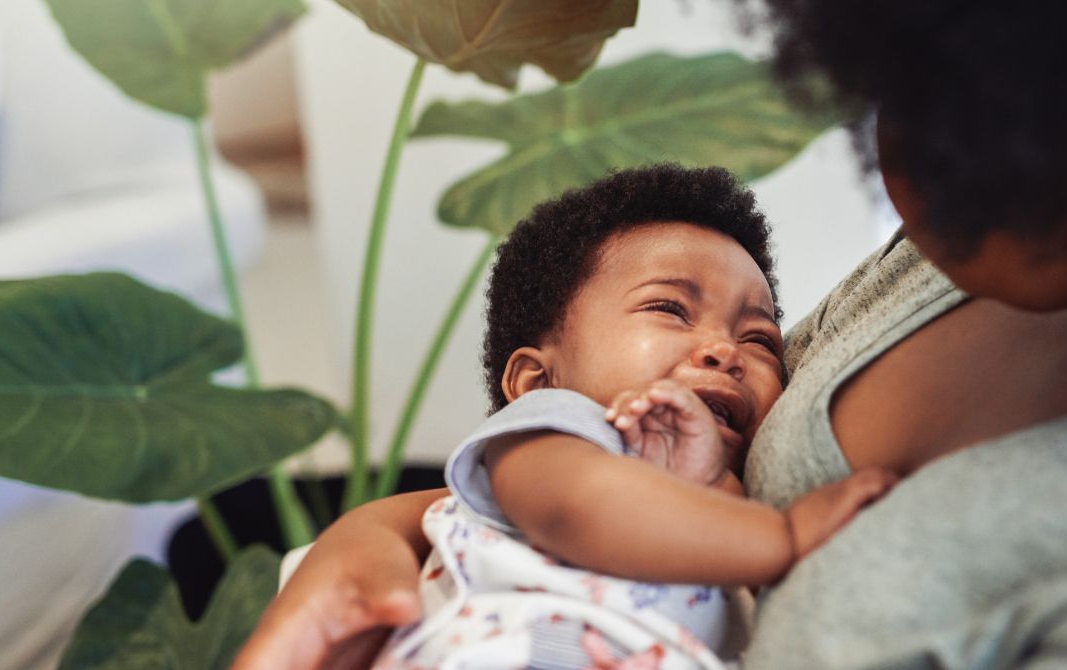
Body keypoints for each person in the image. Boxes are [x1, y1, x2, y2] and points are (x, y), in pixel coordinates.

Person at [235, 1, 1067, 668]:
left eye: (756, 327)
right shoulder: (1062, 221)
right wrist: (377, 535)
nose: (893, 170)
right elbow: (541, 487)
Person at [364, 165, 896, 669]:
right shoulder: (554, 431)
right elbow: (579, 507)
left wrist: (718, 486)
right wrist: (786, 537)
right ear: (535, 381)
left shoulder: (744, 506)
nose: (724, 350)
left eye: (758, 339)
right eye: (669, 309)